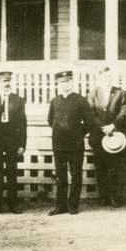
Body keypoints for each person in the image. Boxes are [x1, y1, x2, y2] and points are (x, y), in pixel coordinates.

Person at [46, 69, 94, 215]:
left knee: (76, 175)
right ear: (58, 84)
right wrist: (60, 132)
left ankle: (73, 206)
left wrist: (78, 134)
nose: (64, 84)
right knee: (61, 176)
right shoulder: (55, 101)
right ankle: (60, 206)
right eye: (61, 82)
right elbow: (50, 120)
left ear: (72, 82)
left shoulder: (80, 100)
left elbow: (89, 122)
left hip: (75, 144)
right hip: (59, 144)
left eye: (67, 81)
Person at [0, 69, 27, 215]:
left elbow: (22, 124)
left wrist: (22, 144)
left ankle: (13, 205)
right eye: (3, 81)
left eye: (8, 80)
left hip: (12, 141)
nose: (6, 83)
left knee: (12, 173)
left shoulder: (18, 100)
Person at [88, 70, 126, 206]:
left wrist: (113, 125)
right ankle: (103, 196)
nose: (107, 79)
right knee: (100, 167)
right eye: (104, 77)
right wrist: (103, 127)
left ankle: (114, 196)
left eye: (109, 77)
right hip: (98, 135)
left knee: (114, 167)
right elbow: (90, 114)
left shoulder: (120, 93)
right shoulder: (92, 93)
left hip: (115, 136)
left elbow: (124, 112)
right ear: (99, 78)